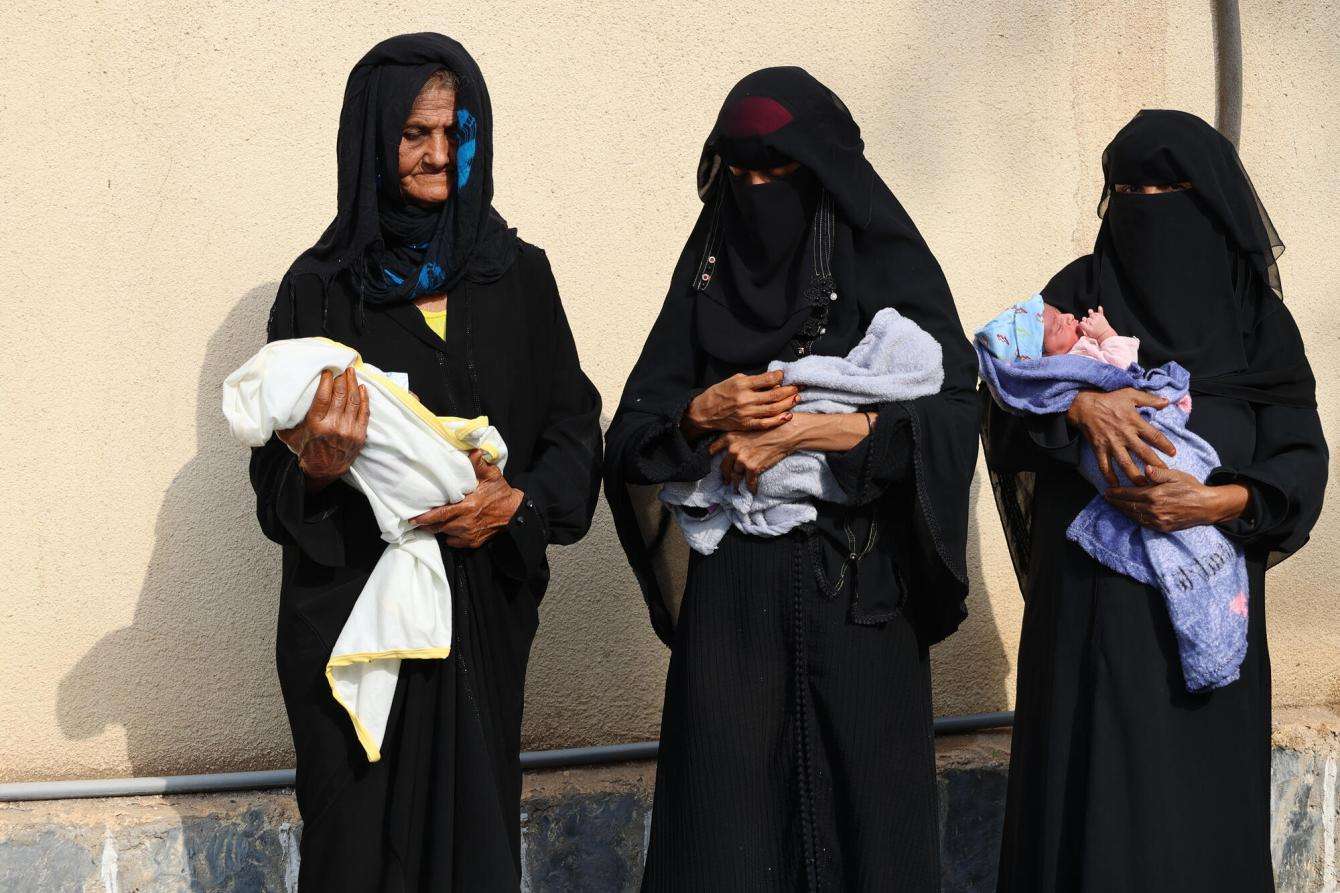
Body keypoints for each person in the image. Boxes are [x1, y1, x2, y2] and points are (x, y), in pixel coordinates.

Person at [604, 67, 978, 890]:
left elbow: (953, 416)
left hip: (862, 600)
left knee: (868, 838)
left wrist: (809, 429)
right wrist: (702, 411)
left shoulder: (885, 264)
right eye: (742, 173)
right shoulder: (705, 277)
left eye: (780, 172)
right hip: (733, 616)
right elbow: (629, 443)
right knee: (729, 841)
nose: (759, 190)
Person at [248, 32, 602, 891]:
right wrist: (321, 466)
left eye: (454, 130)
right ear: (373, 140)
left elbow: (574, 433)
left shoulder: (517, 277)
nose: (439, 153)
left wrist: (515, 505)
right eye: (414, 133)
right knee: (355, 853)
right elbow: (271, 488)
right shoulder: (320, 290)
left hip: (478, 624)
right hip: (353, 636)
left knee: (471, 852)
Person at [984, 110, 1328, 891]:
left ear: (1205, 202)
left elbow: (1301, 464)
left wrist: (1213, 503)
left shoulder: (1256, 326)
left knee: (1194, 832)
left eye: (1163, 189)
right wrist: (1078, 407)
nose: (1144, 205)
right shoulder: (1078, 293)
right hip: (1087, 632)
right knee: (1086, 824)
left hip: (1208, 642)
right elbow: (1000, 403)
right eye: (1127, 189)